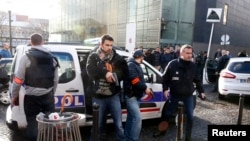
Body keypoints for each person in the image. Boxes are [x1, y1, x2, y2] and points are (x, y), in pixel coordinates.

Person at [11, 33, 60, 141]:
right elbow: (56, 80)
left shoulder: (25, 57)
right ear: (43, 42)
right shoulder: (53, 58)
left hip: (31, 99)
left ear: (31, 42)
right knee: (50, 124)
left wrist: (14, 96)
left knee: (32, 126)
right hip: (48, 97)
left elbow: (18, 80)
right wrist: (52, 93)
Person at [154, 44, 206, 141]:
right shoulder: (172, 64)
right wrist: (165, 89)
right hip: (174, 95)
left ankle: (188, 137)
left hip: (188, 96)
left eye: (191, 53)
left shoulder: (193, 66)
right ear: (181, 53)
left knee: (190, 117)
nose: (190, 55)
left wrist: (201, 91)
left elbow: (197, 80)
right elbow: (164, 78)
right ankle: (162, 131)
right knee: (167, 114)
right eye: (187, 53)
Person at [86, 34, 128, 141]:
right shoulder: (93, 56)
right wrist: (105, 73)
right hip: (98, 97)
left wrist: (114, 75)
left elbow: (124, 72)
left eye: (111, 45)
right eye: (107, 45)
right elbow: (90, 71)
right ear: (101, 44)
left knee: (118, 125)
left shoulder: (117, 57)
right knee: (97, 125)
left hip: (113, 95)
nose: (110, 47)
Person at [124, 50, 153, 141]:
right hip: (131, 96)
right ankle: (133, 139)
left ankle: (127, 138)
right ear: (138, 56)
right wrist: (145, 88)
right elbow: (134, 80)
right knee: (137, 119)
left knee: (131, 118)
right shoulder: (131, 65)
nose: (143, 58)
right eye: (142, 57)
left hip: (135, 95)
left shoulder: (135, 65)